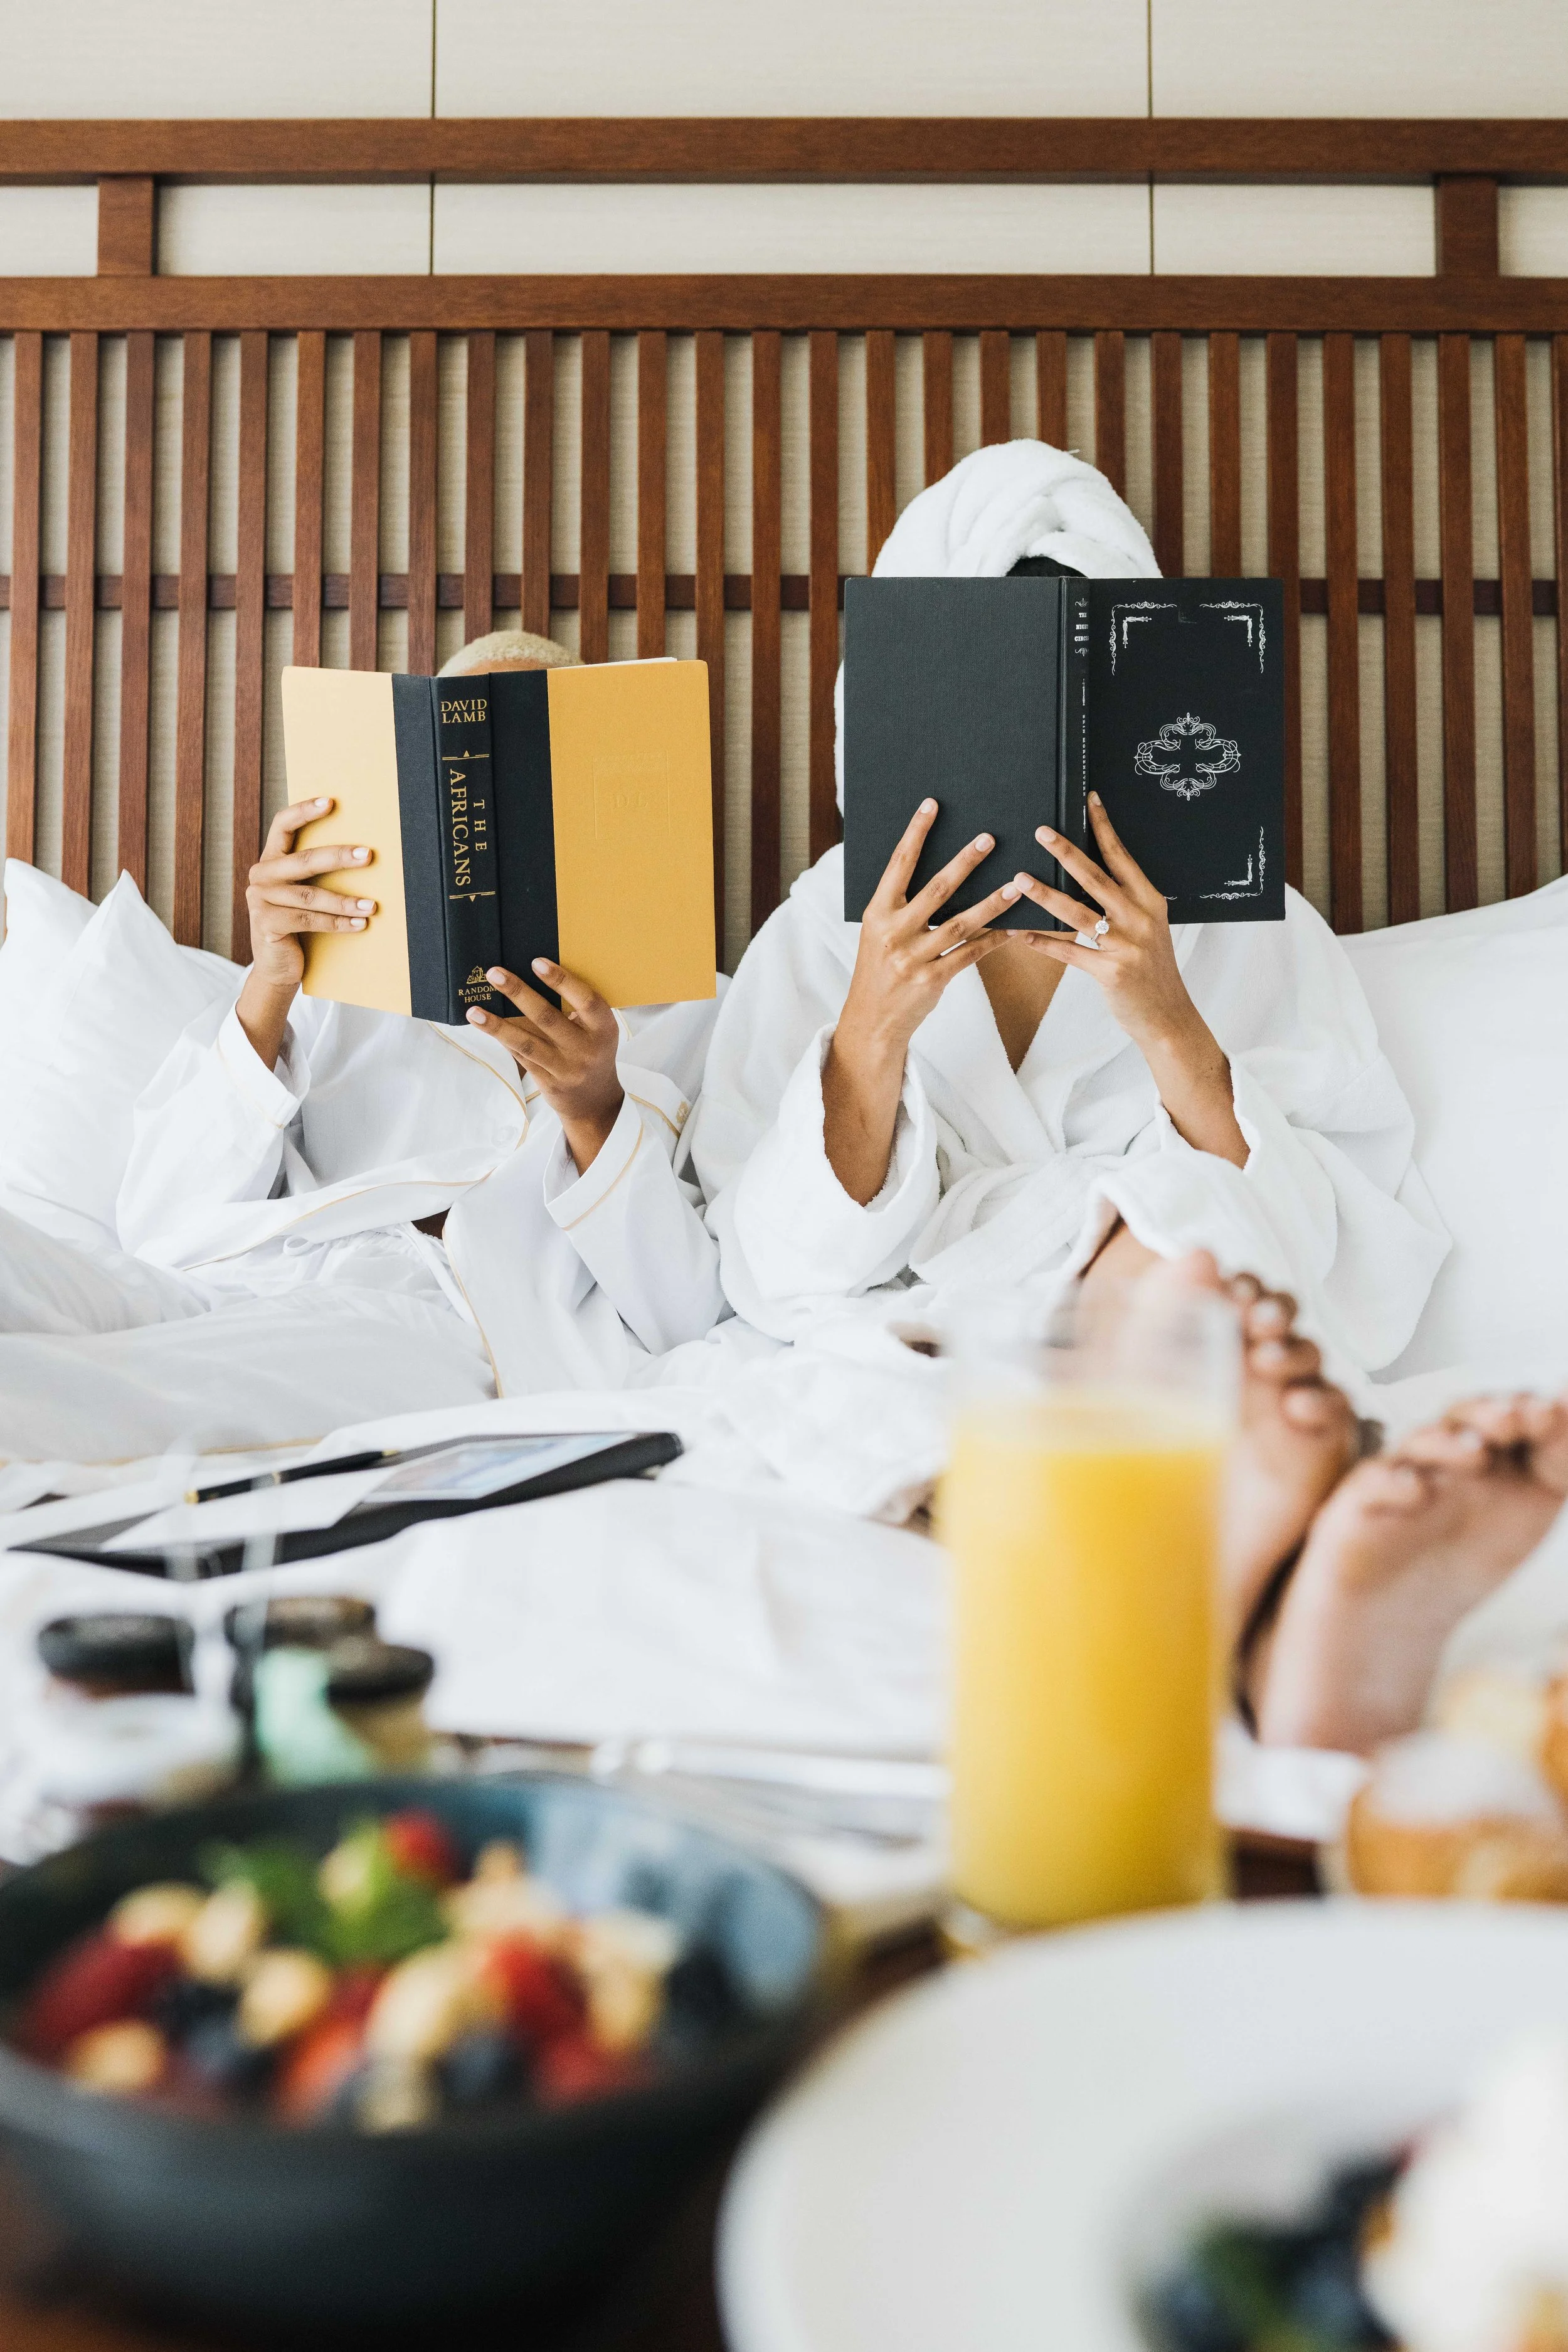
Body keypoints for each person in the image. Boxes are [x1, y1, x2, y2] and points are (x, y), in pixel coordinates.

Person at [692, 441, 1448, 1376]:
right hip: (909, 1355)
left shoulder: (1250, 917)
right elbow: (770, 1268)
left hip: (1163, 1351)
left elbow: (1325, 1250)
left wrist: (1167, 1017)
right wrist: (871, 1031)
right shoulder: (824, 926)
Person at [0, 630, 725, 1461]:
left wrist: (595, 1110)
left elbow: (690, 1313)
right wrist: (270, 983)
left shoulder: (703, 1012)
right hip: (248, 1277)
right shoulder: (347, 981)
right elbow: (156, 1222)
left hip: (436, 1323)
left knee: (97, 1398)